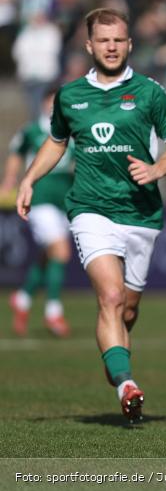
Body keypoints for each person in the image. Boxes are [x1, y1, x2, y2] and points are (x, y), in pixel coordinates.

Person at [16, 8, 166, 422]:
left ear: (129, 44)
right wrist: (29, 179)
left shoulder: (150, 92)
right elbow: (57, 143)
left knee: (128, 309)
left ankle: (117, 362)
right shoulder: (70, 95)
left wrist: (157, 169)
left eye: (119, 40)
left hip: (142, 214)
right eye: (104, 40)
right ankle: (126, 384)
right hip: (90, 209)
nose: (111, 47)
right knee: (109, 298)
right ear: (89, 45)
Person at [3, 88, 74, 337]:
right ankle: (53, 312)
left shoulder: (73, 130)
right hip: (40, 198)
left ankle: (22, 299)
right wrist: (10, 181)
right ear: (44, 103)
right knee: (61, 251)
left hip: (65, 200)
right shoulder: (32, 130)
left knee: (49, 255)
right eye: (52, 101)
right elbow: (16, 153)